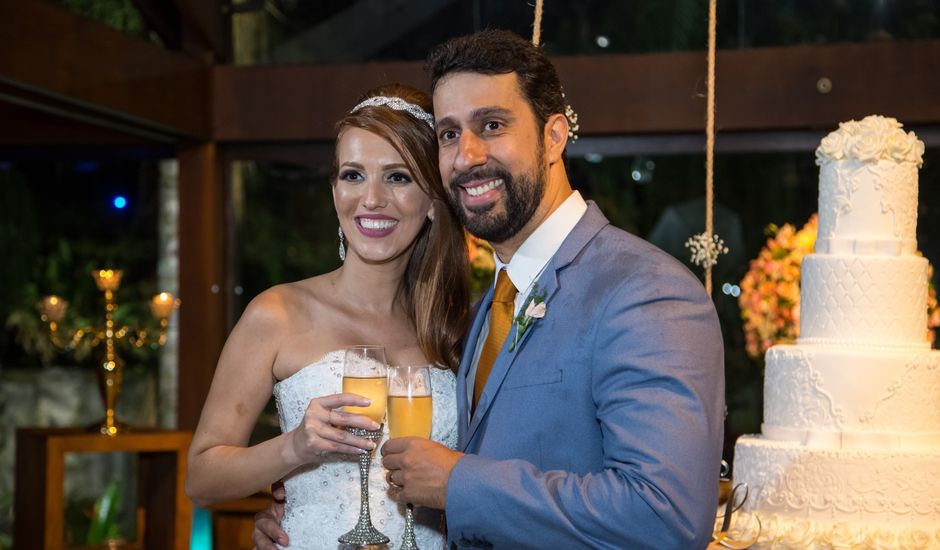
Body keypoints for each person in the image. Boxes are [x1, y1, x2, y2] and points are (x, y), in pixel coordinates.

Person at [255, 29, 725, 549]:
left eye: (492, 125)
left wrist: (458, 483)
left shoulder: (646, 292)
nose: (467, 155)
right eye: (449, 134)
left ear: (554, 136)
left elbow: (665, 517)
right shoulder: (479, 312)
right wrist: (306, 510)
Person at [185, 83, 471, 549]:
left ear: (434, 202)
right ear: (334, 189)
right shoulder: (276, 314)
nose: (371, 199)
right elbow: (201, 479)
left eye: (397, 177)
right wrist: (294, 448)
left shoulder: (458, 330)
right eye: (353, 175)